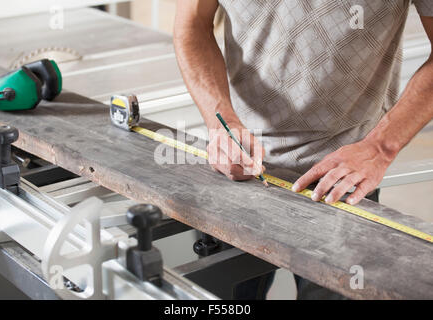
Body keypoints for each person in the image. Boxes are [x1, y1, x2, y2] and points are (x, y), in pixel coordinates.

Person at [173, 0, 433, 299]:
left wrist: (380, 147)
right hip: (238, 167)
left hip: (341, 178)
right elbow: (191, 25)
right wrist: (220, 121)